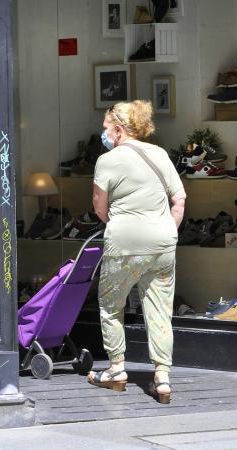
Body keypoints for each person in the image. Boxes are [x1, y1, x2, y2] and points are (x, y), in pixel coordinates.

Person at [87, 101, 186, 404]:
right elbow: (179, 197)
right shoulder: (159, 154)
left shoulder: (108, 160)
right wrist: (167, 230)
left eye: (106, 128)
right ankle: (163, 377)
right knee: (159, 310)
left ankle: (117, 369)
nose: (103, 133)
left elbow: (99, 207)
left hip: (125, 244)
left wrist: (124, 226)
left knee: (111, 304)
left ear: (118, 129)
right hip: (163, 242)